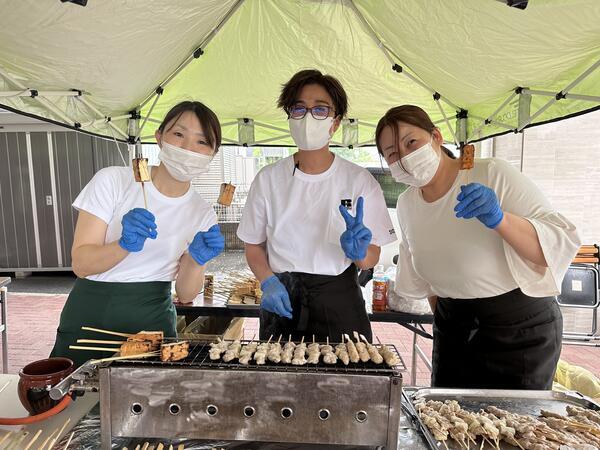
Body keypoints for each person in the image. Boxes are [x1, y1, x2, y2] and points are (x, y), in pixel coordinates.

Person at [376, 104, 581, 389]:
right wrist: (452, 318)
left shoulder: (492, 173)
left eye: (411, 142)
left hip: (519, 330)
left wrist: (500, 220)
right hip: (454, 331)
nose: (406, 157)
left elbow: (559, 243)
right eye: (392, 153)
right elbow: (427, 283)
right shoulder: (408, 204)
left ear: (436, 136)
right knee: (449, 424)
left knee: (514, 428)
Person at [51, 101, 225, 366]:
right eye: (178, 134)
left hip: (151, 321)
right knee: (74, 400)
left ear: (212, 153)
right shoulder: (113, 181)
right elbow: (82, 265)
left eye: (202, 142)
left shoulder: (202, 212)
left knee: (146, 402)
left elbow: (186, 294)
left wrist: (197, 261)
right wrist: (123, 245)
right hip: (90, 315)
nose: (188, 148)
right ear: (159, 138)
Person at [237, 69, 396, 342]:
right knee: (278, 381)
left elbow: (371, 256)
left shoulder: (359, 181)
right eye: (299, 109)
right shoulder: (269, 179)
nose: (308, 117)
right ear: (289, 117)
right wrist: (267, 281)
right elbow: (253, 245)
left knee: (347, 381)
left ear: (335, 123)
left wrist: (359, 253)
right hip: (282, 298)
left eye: (320, 109)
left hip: (340, 300)